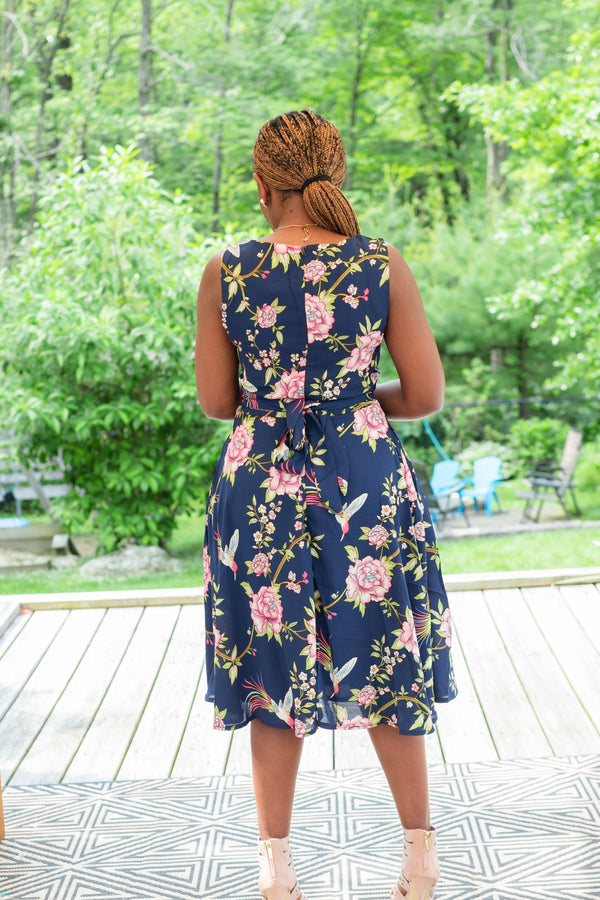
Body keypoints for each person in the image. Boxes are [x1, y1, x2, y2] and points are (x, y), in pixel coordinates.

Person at [195, 109, 457, 900]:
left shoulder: (227, 270)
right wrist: (348, 402)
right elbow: (426, 393)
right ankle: (420, 856)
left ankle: (276, 869)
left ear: (262, 184)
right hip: (364, 479)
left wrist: (285, 401)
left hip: (260, 486)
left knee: (274, 671)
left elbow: (216, 400)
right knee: (385, 658)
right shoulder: (381, 263)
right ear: (336, 175)